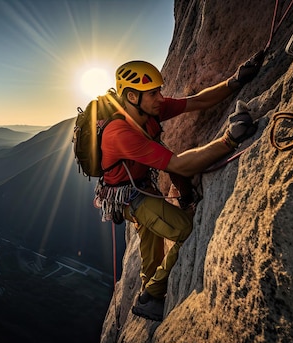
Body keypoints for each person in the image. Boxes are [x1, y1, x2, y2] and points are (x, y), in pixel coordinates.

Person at [97, 52, 264, 321]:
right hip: (127, 197)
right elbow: (179, 166)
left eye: (158, 91)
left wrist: (234, 81)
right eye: (153, 93)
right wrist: (229, 140)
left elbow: (196, 102)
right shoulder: (120, 132)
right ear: (131, 97)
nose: (160, 98)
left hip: (139, 186)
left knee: (151, 245)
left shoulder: (148, 109)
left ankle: (149, 287)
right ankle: (150, 296)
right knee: (184, 228)